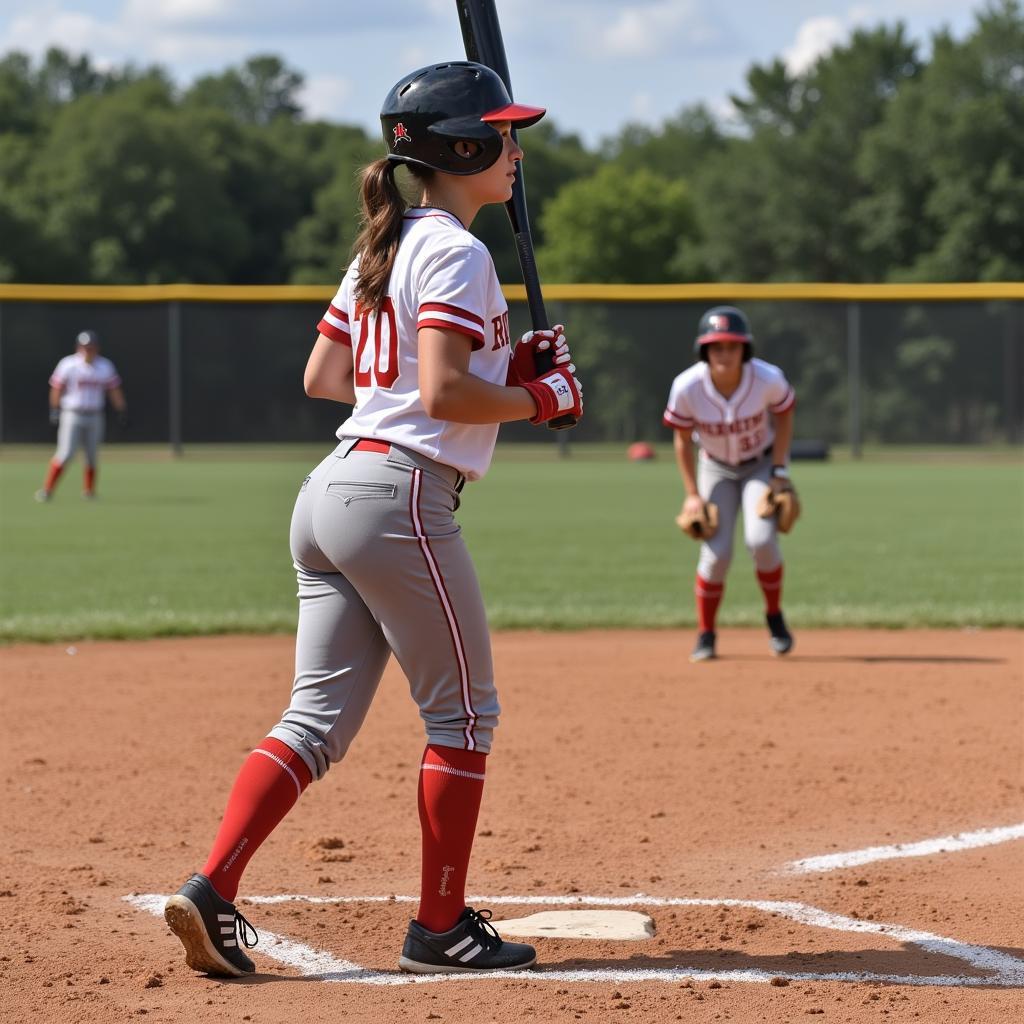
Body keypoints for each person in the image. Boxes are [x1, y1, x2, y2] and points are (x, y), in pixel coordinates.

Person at [163, 61, 583, 978]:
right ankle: (440, 931)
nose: (515, 151)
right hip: (399, 496)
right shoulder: (461, 253)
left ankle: (212, 888)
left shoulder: (381, 247)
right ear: (460, 148)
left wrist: (510, 377)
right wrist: (542, 398)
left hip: (329, 494)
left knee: (313, 722)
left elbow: (329, 378)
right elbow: (436, 391)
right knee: (465, 715)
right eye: (500, 135)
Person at [662, 306, 796, 662]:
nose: (725, 353)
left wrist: (780, 472)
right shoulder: (687, 386)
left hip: (760, 465)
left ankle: (774, 618)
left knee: (762, 540)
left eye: (732, 346)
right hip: (715, 469)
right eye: (716, 346)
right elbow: (681, 439)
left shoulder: (767, 379)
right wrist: (691, 494)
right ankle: (706, 634)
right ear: (704, 350)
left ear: (744, 349)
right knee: (717, 554)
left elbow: (784, 416)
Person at [35, 329, 128, 502]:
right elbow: (56, 388)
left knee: (92, 455)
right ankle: (47, 490)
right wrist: (54, 410)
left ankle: (89, 492)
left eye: (90, 346)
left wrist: (121, 409)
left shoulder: (105, 365)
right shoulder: (68, 364)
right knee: (66, 453)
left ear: (97, 348)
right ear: (78, 347)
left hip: (95, 415)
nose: (87, 350)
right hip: (72, 414)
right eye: (84, 346)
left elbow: (114, 389)